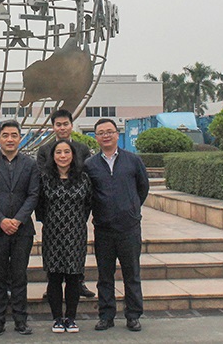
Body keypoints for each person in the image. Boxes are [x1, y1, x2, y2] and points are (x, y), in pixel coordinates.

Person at [85, 118, 149, 332]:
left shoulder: (133, 160)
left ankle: (133, 315)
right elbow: (88, 195)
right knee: (105, 276)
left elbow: (142, 188)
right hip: (103, 229)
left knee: (132, 274)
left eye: (109, 131)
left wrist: (131, 208)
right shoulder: (90, 165)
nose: (106, 136)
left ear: (117, 134)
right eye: (101, 133)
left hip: (129, 228)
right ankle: (106, 315)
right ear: (96, 137)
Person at [0, 121, 39, 336]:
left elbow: (33, 195)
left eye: (14, 135)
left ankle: (21, 320)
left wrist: (18, 220)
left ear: (20, 138)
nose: (10, 139)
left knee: (20, 276)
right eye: (5, 135)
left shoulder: (30, 164)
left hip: (23, 230)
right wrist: (1, 220)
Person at [36, 108, 94, 299]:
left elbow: (88, 187)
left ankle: (79, 283)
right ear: (53, 127)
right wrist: (45, 217)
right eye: (58, 124)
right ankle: (52, 286)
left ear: (71, 125)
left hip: (75, 215)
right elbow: (41, 185)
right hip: (52, 216)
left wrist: (80, 216)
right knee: (53, 257)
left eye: (65, 124)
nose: (62, 128)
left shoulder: (82, 149)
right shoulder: (44, 150)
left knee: (76, 256)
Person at [36, 139, 92, 334]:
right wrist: (51, 221)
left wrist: (76, 221)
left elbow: (88, 204)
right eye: (58, 152)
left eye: (66, 152)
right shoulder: (45, 179)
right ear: (52, 156)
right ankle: (57, 319)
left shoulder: (83, 178)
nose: (62, 156)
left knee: (73, 277)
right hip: (52, 234)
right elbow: (39, 206)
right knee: (54, 277)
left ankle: (71, 318)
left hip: (76, 234)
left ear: (73, 155)